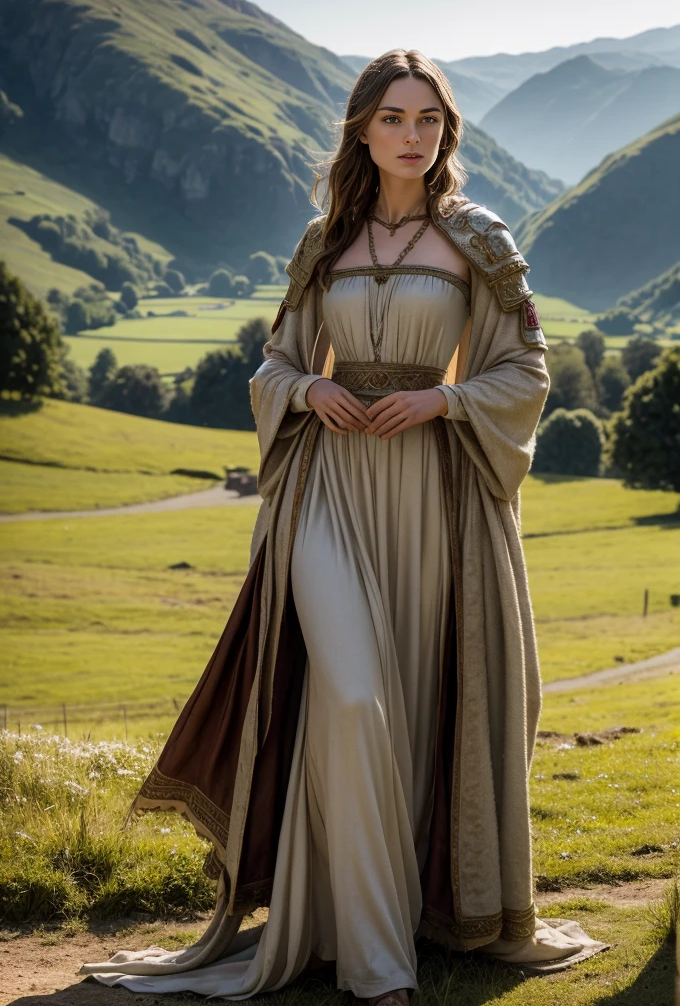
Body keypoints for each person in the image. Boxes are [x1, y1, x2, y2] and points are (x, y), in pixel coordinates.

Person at [80, 49, 608, 1004]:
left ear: (446, 133)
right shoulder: (322, 242)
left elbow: (528, 373)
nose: (413, 136)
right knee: (354, 694)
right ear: (363, 128)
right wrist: (312, 386)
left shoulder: (481, 241)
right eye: (395, 118)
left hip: (435, 500)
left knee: (410, 709)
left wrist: (444, 405)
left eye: (430, 120)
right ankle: (371, 964)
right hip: (327, 491)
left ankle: (382, 921)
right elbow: (271, 366)